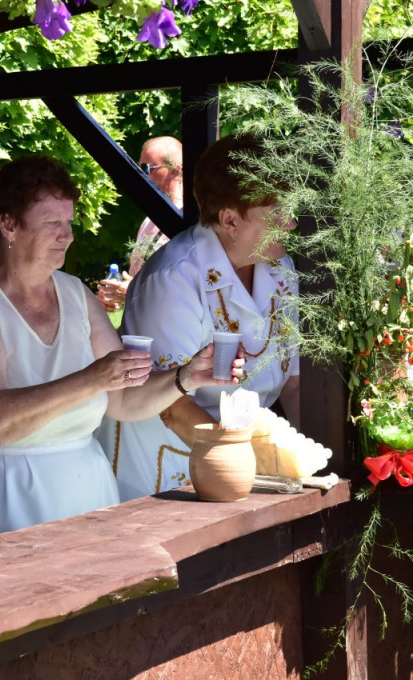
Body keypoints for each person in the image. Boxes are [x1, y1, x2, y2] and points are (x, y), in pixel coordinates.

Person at [0, 154, 242, 534]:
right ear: (8, 225)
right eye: (52, 223)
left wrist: (185, 378)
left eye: (69, 222)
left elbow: (123, 400)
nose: (68, 235)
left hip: (82, 487)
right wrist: (91, 380)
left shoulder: (76, 295)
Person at [96, 133, 300, 501]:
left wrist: (309, 458)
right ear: (229, 220)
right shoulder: (173, 278)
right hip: (166, 470)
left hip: (244, 466)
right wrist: (249, 461)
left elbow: (295, 383)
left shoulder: (281, 268)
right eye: (276, 214)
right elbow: (172, 409)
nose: (291, 224)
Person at [97, 136, 183, 312]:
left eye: (147, 168)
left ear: (175, 170)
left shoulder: (191, 220)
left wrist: (132, 292)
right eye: (139, 168)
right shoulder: (149, 221)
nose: (142, 176)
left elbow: (189, 291)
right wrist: (118, 297)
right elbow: (136, 279)